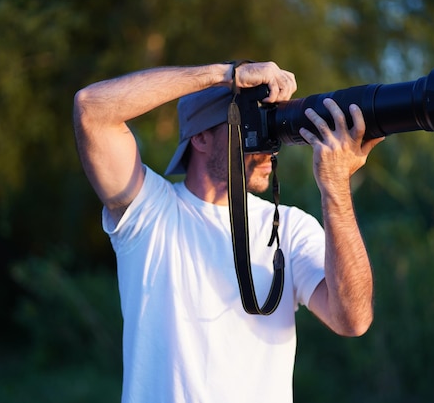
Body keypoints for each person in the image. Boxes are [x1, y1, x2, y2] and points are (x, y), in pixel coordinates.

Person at [72, 60, 384, 403]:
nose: (268, 145)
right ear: (201, 137)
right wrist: (226, 76)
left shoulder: (290, 227)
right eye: (249, 124)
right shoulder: (151, 213)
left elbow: (353, 320)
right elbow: (90, 108)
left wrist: (336, 188)